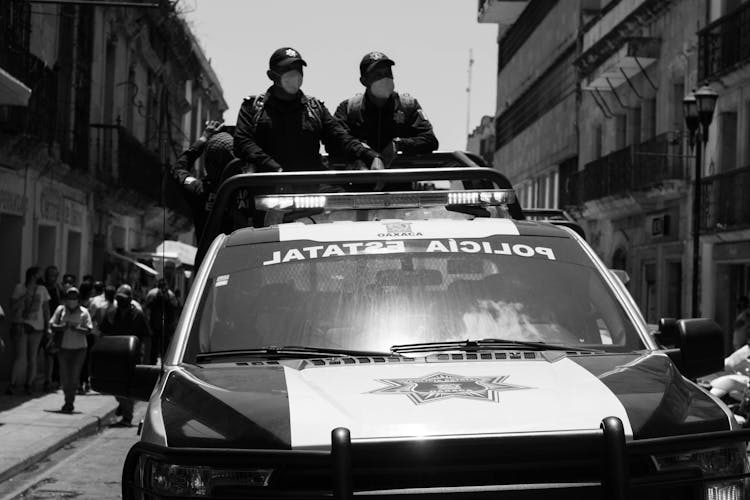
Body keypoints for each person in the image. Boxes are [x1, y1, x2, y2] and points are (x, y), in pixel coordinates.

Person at [233, 47, 384, 173]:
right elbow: (242, 143)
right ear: (272, 75)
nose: (295, 74)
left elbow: (339, 138)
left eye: (298, 69)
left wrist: (370, 156)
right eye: (287, 69)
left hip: (311, 185)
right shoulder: (252, 107)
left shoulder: (315, 108)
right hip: (266, 184)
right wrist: (274, 169)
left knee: (343, 203)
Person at [333, 51, 438, 168]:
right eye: (378, 75)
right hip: (359, 183)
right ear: (364, 81)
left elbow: (430, 140)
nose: (385, 79)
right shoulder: (349, 109)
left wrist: (398, 144)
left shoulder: (409, 105)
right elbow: (335, 140)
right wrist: (366, 154)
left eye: (388, 73)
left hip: (400, 183)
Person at [171, 120, 235, 238]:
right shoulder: (247, 187)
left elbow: (177, 169)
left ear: (208, 162)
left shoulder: (199, 190)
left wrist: (203, 138)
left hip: (209, 255)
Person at [99, 284, 149, 426]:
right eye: (119, 299)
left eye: (124, 299)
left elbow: (146, 336)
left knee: (127, 386)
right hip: (115, 355)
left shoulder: (138, 315)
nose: (121, 301)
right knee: (114, 386)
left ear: (130, 299)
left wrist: (146, 358)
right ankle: (124, 406)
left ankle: (127, 416)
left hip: (132, 357)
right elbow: (103, 332)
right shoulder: (111, 314)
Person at [6, 266, 50, 395]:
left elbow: (46, 310)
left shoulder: (42, 289)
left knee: (32, 357)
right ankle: (12, 383)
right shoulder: (19, 288)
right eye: (38, 274)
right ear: (33, 275)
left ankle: (29, 384)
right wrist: (25, 295)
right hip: (21, 325)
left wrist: (48, 328)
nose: (40, 276)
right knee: (20, 357)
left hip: (38, 327)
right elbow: (12, 306)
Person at [49, 287, 92, 413]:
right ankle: (67, 397)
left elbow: (89, 329)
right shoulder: (60, 310)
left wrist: (77, 328)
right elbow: (52, 325)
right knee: (64, 376)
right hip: (63, 348)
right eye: (69, 298)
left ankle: (69, 401)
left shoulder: (84, 312)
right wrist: (62, 326)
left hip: (79, 349)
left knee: (74, 376)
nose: (72, 300)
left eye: (74, 298)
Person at [143, 279, 180, 365]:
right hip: (161, 326)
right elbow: (175, 310)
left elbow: (146, 310)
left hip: (159, 326)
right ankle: (162, 363)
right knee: (161, 348)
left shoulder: (151, 293)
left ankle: (156, 363)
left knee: (156, 348)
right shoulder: (170, 295)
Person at [42, 266, 64, 392]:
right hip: (41, 324)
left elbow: (61, 305)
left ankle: (51, 380)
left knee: (53, 354)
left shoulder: (58, 288)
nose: (52, 277)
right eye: (50, 275)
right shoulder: (42, 287)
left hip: (55, 325)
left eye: (55, 275)